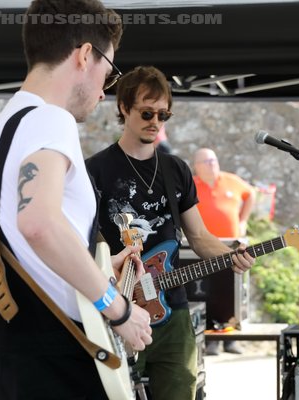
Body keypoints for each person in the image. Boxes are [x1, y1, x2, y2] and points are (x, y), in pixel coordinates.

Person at [0, 1, 152, 399]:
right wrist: (118, 309)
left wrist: (99, 267)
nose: (105, 89)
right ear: (86, 55)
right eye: (109, 71)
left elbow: (23, 241)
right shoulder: (51, 119)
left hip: (10, 362)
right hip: (61, 364)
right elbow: (39, 223)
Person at [85, 66, 254, 400]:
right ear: (124, 108)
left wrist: (231, 257)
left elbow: (199, 236)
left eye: (164, 114)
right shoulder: (97, 169)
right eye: (147, 112)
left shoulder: (176, 169)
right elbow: (88, 241)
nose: (156, 121)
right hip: (117, 308)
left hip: (172, 308)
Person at [192, 147, 255, 355]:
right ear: (196, 167)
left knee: (232, 292)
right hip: (203, 249)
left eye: (214, 160)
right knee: (210, 292)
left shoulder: (231, 180)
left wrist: (243, 220)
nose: (212, 164)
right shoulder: (191, 185)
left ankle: (231, 339)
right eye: (206, 162)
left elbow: (251, 194)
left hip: (232, 246)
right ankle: (213, 339)